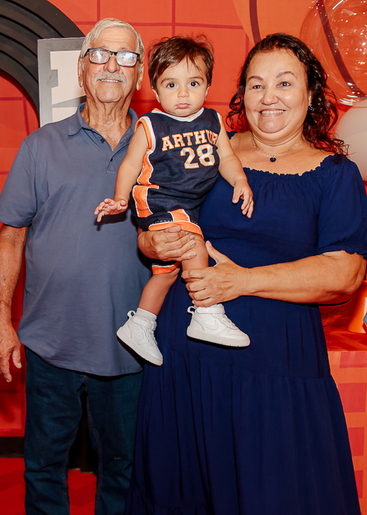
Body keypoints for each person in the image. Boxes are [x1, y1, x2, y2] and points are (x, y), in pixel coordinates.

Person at [121, 33, 367, 515]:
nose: (269, 97)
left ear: (311, 94)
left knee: (271, 499)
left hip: (276, 360)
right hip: (188, 345)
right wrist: (154, 241)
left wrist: (243, 281)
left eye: (284, 82)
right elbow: (154, 223)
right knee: (184, 474)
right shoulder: (208, 145)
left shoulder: (335, 174)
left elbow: (343, 274)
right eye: (256, 83)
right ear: (240, 94)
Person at [0, 18, 150, 515]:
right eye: (99, 55)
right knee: (43, 461)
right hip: (50, 339)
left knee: (124, 464)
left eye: (125, 57)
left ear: (139, 74)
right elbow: (11, 237)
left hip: (132, 343)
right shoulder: (41, 146)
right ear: (81, 69)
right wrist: (0, 320)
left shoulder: (159, 147)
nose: (111, 66)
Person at [95, 35, 253, 366]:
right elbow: (130, 165)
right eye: (171, 84)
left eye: (193, 83)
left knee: (166, 273)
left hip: (188, 207)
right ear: (155, 90)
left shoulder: (212, 121)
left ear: (207, 88)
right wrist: (120, 198)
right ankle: (206, 313)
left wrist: (240, 180)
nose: (182, 93)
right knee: (192, 245)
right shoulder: (151, 125)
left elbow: (226, 157)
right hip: (158, 200)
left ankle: (140, 324)